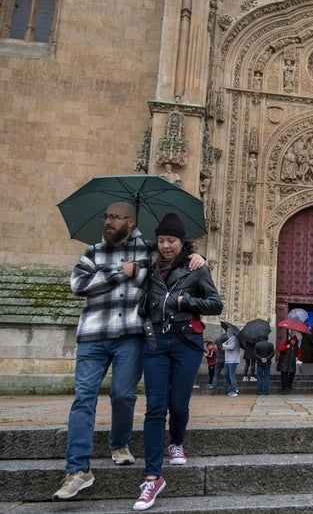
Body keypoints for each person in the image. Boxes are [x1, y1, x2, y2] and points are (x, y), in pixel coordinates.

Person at [53, 202, 150, 501]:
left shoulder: (148, 252)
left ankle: (119, 443)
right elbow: (79, 284)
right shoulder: (92, 252)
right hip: (93, 336)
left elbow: (169, 268)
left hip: (130, 336)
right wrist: (120, 272)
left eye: (114, 217)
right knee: (84, 398)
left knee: (123, 395)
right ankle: (78, 469)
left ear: (130, 221)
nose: (107, 221)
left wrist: (197, 256)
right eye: (105, 216)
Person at [135, 212, 223, 511]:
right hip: (155, 340)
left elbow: (215, 303)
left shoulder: (195, 267)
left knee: (179, 403)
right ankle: (152, 476)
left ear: (181, 242)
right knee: (154, 407)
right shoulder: (147, 263)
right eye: (161, 240)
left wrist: (187, 301)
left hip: (186, 340)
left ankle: (176, 442)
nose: (165, 246)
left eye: (171, 240)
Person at [222, 324, 241, 397]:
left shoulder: (234, 338)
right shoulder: (230, 338)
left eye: (228, 331)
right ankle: (234, 388)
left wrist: (224, 346)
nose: (227, 332)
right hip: (228, 360)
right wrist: (225, 345)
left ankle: (234, 391)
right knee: (226, 374)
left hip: (232, 360)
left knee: (231, 375)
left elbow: (231, 347)